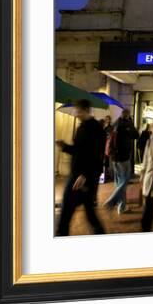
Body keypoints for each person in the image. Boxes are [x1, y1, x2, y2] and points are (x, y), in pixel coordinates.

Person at [56, 99, 106, 236]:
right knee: (90, 215)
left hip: (81, 178)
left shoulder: (95, 129)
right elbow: (79, 151)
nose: (75, 113)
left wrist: (84, 175)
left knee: (66, 214)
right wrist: (64, 146)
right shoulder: (82, 127)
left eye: (78, 110)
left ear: (86, 110)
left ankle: (60, 238)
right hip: (81, 177)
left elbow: (96, 156)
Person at [104, 109, 138, 214]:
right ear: (128, 115)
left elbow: (107, 134)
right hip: (123, 157)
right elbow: (136, 135)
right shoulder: (127, 124)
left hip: (114, 158)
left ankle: (121, 207)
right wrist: (131, 125)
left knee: (119, 182)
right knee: (125, 180)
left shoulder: (115, 123)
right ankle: (112, 200)